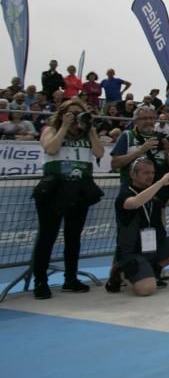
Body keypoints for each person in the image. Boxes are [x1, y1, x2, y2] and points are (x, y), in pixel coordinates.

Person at [31, 99, 105, 299]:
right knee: (48, 236)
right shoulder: (51, 129)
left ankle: (70, 278)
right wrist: (64, 126)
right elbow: (51, 148)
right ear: (62, 113)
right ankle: (40, 281)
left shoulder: (87, 134)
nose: (75, 118)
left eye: (79, 114)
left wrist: (89, 129)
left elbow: (99, 152)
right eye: (71, 113)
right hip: (54, 189)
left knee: (74, 237)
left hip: (80, 189)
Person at [113, 158, 169, 296]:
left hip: (155, 245)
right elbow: (135, 203)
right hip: (134, 251)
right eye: (145, 173)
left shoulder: (156, 192)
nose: (150, 176)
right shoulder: (125, 194)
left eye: (152, 173)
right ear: (133, 175)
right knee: (146, 289)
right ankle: (121, 272)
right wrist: (161, 182)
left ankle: (156, 267)